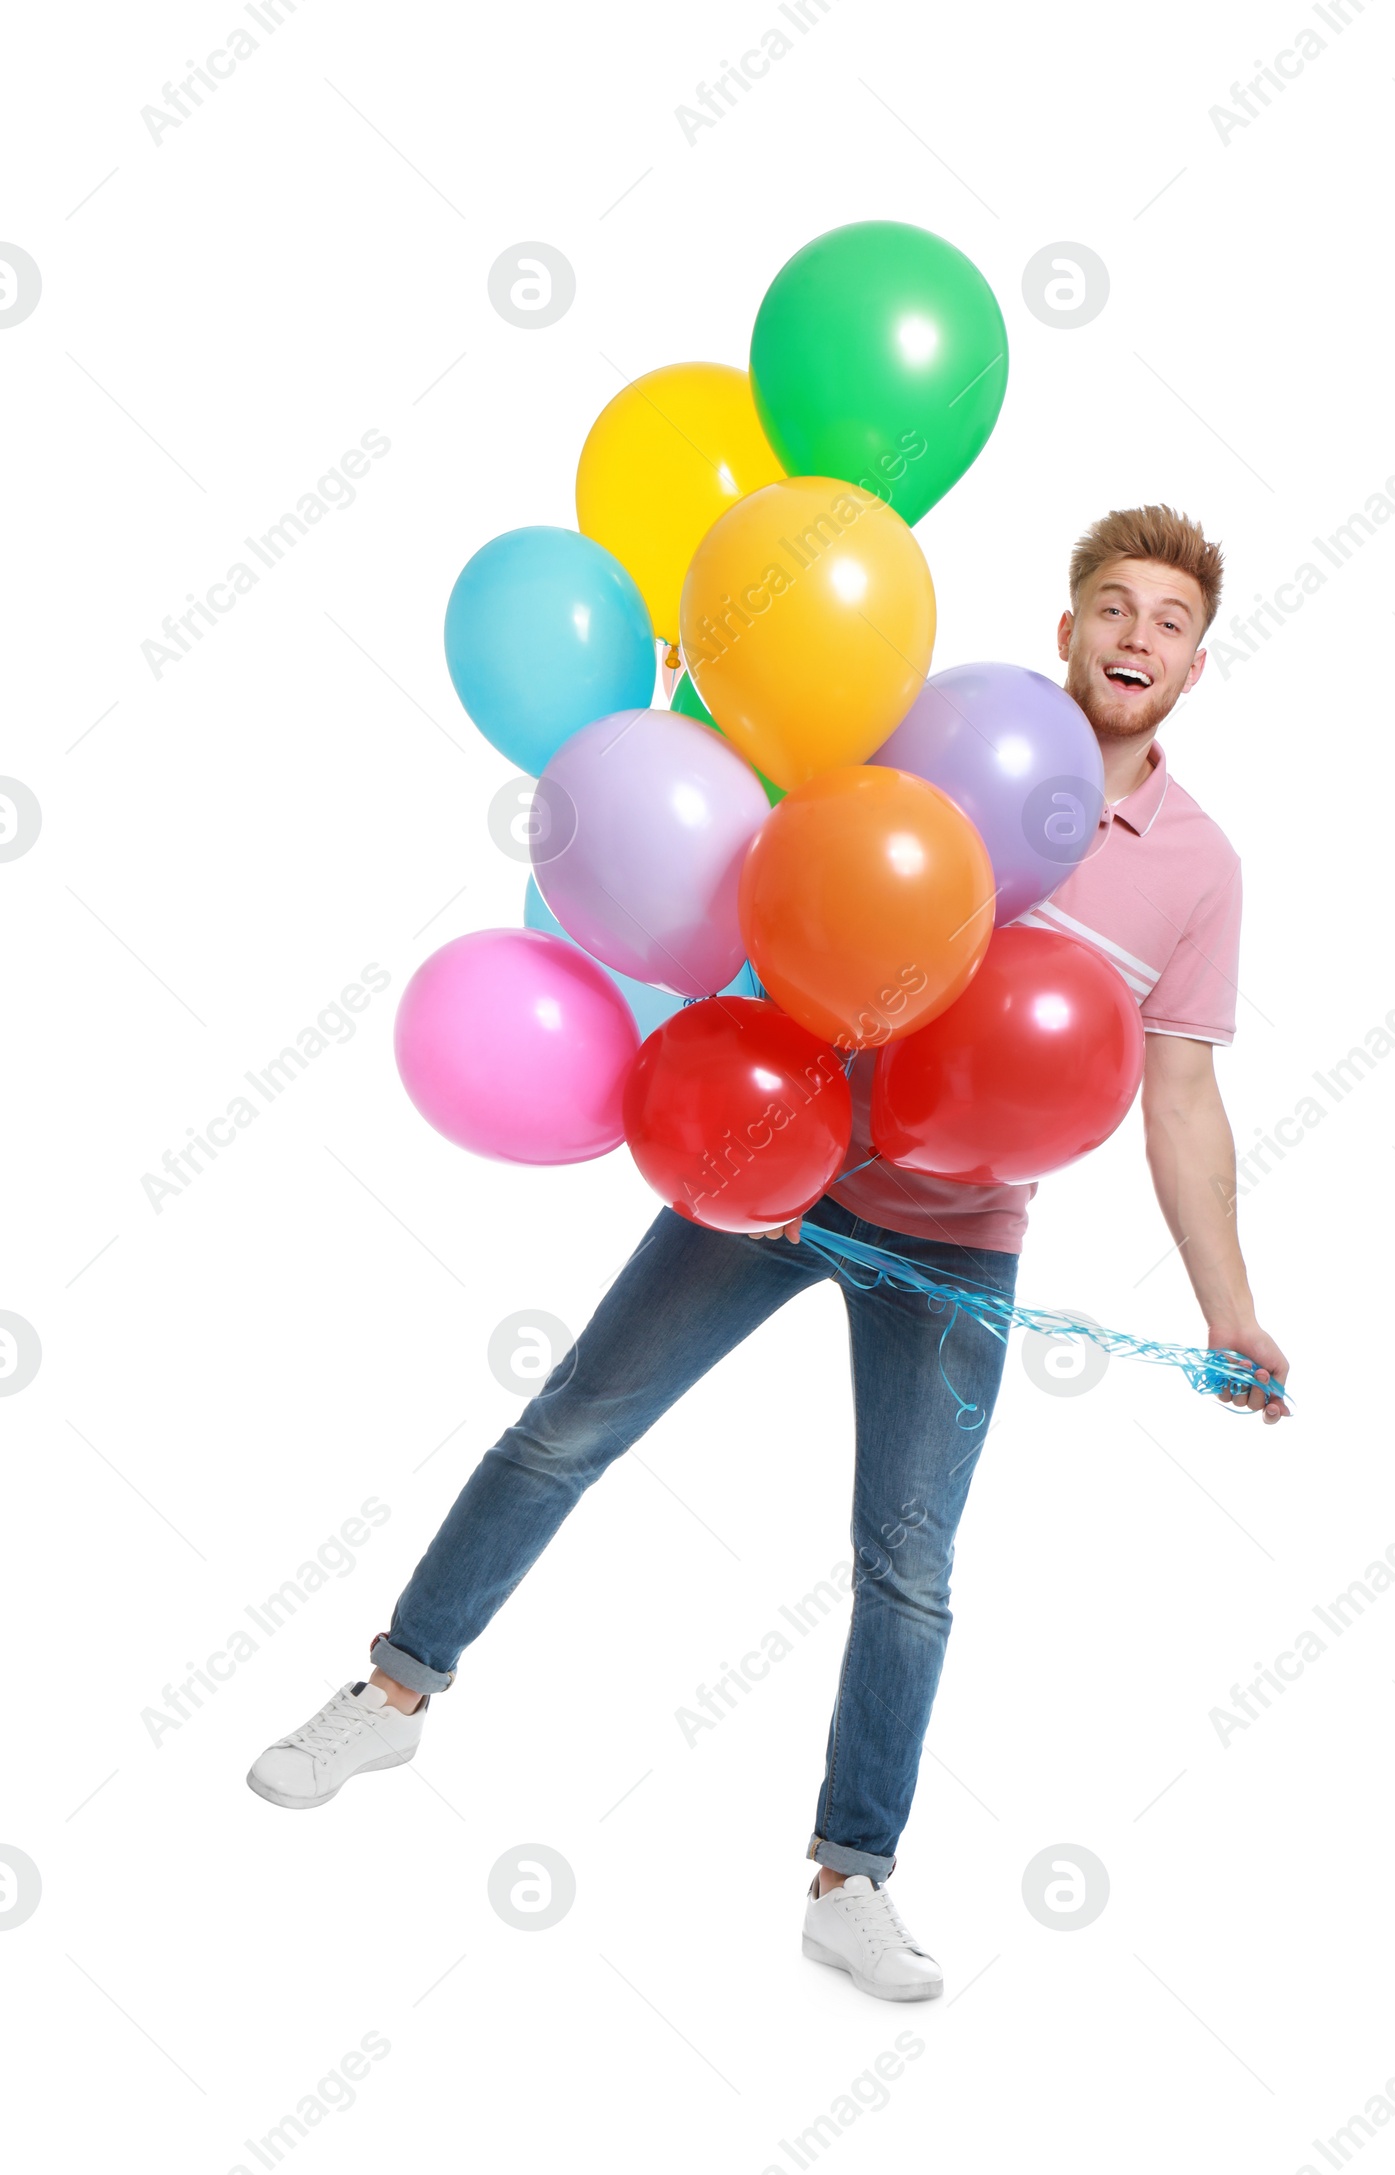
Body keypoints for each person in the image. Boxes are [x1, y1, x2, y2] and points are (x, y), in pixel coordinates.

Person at [247, 504, 1289, 2001]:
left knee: (908, 1568)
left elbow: (1180, 1104)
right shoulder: (949, 735)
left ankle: (849, 1880)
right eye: (1111, 607)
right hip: (771, 1166)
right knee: (569, 1428)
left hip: (962, 1239)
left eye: (1169, 620)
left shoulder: (1198, 869)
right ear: (1065, 631)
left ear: (1197, 660)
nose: (1137, 636)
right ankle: (393, 1689)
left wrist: (1233, 1314)